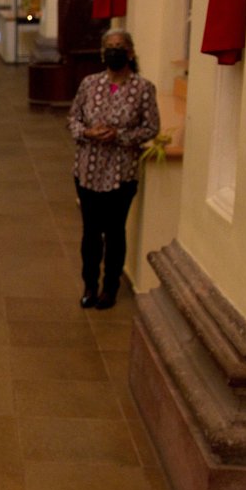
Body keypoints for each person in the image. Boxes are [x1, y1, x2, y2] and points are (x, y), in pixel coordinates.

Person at [68, 30, 160, 310]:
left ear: (130, 52)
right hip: (88, 168)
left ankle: (110, 288)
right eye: (109, 47)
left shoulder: (143, 88)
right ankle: (89, 285)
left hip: (122, 172)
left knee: (115, 231)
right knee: (91, 232)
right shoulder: (89, 83)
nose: (114, 51)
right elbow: (73, 118)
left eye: (119, 47)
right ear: (102, 52)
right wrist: (87, 132)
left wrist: (119, 136)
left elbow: (151, 127)